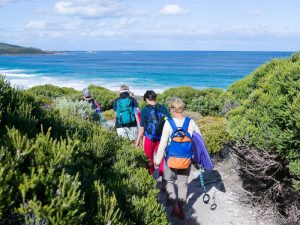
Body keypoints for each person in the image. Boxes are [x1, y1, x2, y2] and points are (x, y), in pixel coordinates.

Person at [154, 97, 202, 220]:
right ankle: (182, 210)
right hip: (186, 159)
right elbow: (199, 141)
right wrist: (199, 159)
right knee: (182, 185)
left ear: (172, 109)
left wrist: (157, 161)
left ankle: (174, 206)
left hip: (171, 160)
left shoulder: (169, 123)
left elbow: (163, 144)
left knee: (169, 182)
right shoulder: (191, 122)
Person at [134, 90, 171, 191]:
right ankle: (164, 181)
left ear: (146, 99)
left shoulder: (145, 110)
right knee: (162, 158)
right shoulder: (163, 108)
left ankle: (149, 179)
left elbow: (142, 128)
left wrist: (137, 141)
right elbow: (170, 122)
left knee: (148, 158)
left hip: (149, 138)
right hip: (162, 138)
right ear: (155, 98)